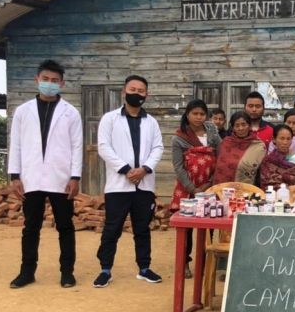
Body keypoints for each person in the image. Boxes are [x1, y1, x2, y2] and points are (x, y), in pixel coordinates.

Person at [8, 60, 83, 289]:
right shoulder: (23, 111)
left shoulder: (71, 113)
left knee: (65, 226)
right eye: (45, 80)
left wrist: (75, 177)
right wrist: (15, 176)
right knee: (31, 227)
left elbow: (77, 145)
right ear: (37, 80)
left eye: (54, 81)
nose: (49, 84)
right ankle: (27, 271)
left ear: (62, 83)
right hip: (31, 178)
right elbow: (17, 145)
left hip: (61, 178)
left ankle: (67, 272)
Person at [93, 75, 164, 288]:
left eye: (141, 91)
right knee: (112, 228)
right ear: (124, 92)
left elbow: (158, 148)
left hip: (144, 184)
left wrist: (144, 169)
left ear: (146, 95)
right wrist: (125, 170)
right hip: (118, 185)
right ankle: (105, 269)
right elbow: (104, 146)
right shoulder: (110, 119)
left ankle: (144, 268)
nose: (136, 94)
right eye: (132, 89)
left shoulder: (151, 122)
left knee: (142, 228)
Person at [170, 99, 221, 279]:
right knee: (187, 228)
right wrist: (194, 188)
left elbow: (220, 156)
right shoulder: (179, 138)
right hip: (187, 187)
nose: (199, 117)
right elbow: (178, 167)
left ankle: (204, 262)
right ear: (187, 115)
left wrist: (210, 184)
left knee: (209, 226)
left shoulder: (212, 132)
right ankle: (184, 263)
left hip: (210, 186)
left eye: (202, 114)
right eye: (195, 114)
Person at [214, 112, 267, 185]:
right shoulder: (226, 142)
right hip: (222, 188)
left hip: (245, 189)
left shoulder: (258, 146)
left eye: (243, 124)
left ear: (249, 126)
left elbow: (262, 171)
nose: (241, 128)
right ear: (233, 128)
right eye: (237, 125)